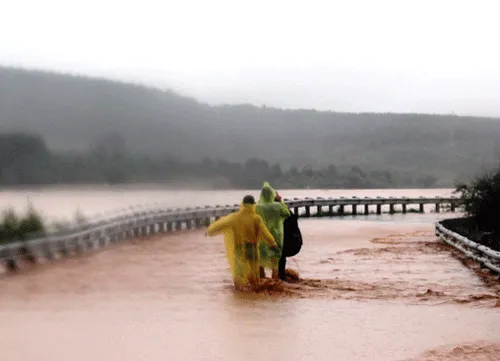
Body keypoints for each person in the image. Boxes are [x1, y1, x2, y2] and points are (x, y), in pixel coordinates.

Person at [205, 195, 278, 291]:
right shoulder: (256, 218)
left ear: (242, 204)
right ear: (253, 204)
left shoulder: (234, 217)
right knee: (254, 277)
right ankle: (255, 294)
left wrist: (209, 231)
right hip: (252, 250)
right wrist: (273, 244)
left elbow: (221, 224)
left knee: (239, 275)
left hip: (239, 250)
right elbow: (265, 233)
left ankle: (240, 296)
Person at [256, 182, 290, 279]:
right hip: (276, 238)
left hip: (262, 238)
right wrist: (280, 201)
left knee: (260, 263)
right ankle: (275, 285)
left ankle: (261, 285)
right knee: (275, 264)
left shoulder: (257, 207)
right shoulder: (277, 206)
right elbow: (287, 213)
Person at [278, 203, 303, 281]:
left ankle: (281, 277)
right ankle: (282, 276)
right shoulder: (287, 212)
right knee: (281, 257)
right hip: (296, 243)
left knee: (280, 256)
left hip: (288, 243)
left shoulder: (280, 215)